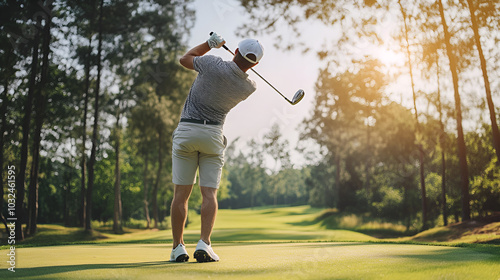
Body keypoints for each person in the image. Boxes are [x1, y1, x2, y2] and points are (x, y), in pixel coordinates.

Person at [169, 32, 264, 263]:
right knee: (209, 193)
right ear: (257, 64)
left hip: (187, 131)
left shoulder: (211, 63)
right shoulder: (249, 87)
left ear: (236, 52)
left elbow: (185, 59)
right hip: (213, 135)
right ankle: (204, 243)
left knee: (181, 194)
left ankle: (178, 247)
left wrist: (210, 44)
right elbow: (240, 71)